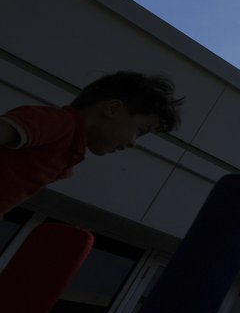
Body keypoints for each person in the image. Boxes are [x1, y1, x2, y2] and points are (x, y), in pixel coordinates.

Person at [0, 71, 183, 215]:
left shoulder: (68, 154)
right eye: (140, 131)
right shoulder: (59, 123)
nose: (134, 143)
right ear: (112, 109)